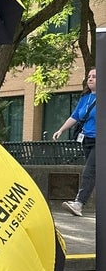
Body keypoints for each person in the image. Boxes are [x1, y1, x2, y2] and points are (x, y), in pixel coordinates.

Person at [53, 67, 96, 217]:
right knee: (94, 173)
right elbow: (75, 117)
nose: (90, 78)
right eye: (89, 76)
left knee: (89, 172)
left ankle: (78, 204)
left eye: (95, 76)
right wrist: (61, 130)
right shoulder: (85, 99)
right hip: (87, 140)